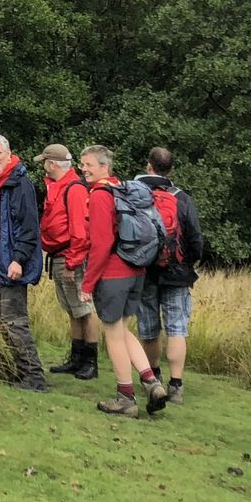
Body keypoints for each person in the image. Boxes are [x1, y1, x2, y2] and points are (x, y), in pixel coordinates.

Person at [78, 145, 169, 418]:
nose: (83, 169)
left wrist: (87, 284)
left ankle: (125, 396)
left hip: (113, 274)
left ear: (105, 166)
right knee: (123, 329)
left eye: (89, 164)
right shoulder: (123, 189)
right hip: (136, 271)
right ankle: (152, 382)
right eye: (82, 164)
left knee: (113, 335)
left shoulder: (100, 196)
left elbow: (101, 243)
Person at [0, 134, 48, 392]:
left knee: (14, 320)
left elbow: (29, 228)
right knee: (5, 319)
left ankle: (35, 377)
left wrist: (18, 260)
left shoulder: (19, 184)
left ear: (8, 153)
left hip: (13, 263)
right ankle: (21, 372)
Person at [135, 146, 203, 404]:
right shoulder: (182, 198)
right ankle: (176, 386)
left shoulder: (137, 194)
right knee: (176, 327)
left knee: (149, 328)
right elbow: (196, 239)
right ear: (170, 169)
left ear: (148, 165)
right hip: (177, 273)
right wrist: (188, 263)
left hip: (144, 270)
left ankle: (153, 380)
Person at [36, 143, 99, 380]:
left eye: (45, 161)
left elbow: (79, 231)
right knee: (72, 309)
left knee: (84, 309)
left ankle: (90, 361)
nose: (43, 166)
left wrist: (73, 262)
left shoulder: (73, 189)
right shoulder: (59, 186)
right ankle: (76, 358)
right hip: (60, 255)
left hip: (71, 256)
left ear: (52, 164)